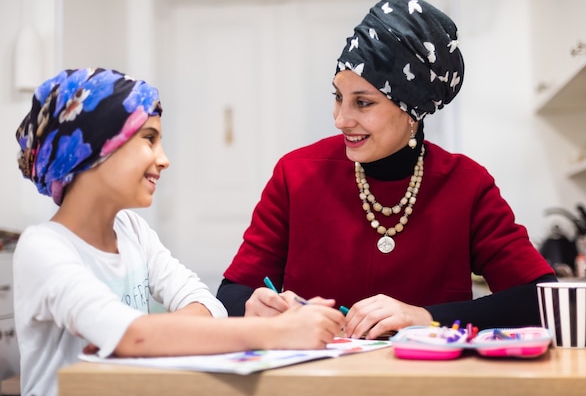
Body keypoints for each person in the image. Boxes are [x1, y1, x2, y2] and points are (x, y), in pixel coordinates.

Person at [217, 0, 556, 339]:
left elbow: (542, 299)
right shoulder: (297, 174)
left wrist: (425, 318)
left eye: (363, 103)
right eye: (338, 97)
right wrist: (252, 306)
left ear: (412, 108)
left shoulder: (466, 185)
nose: (340, 119)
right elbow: (230, 294)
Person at [13, 68, 344, 396]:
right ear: (94, 148)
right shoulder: (42, 248)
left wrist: (148, 335)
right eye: (149, 139)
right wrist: (277, 332)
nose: (164, 159)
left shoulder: (133, 231)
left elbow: (209, 306)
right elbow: (133, 336)